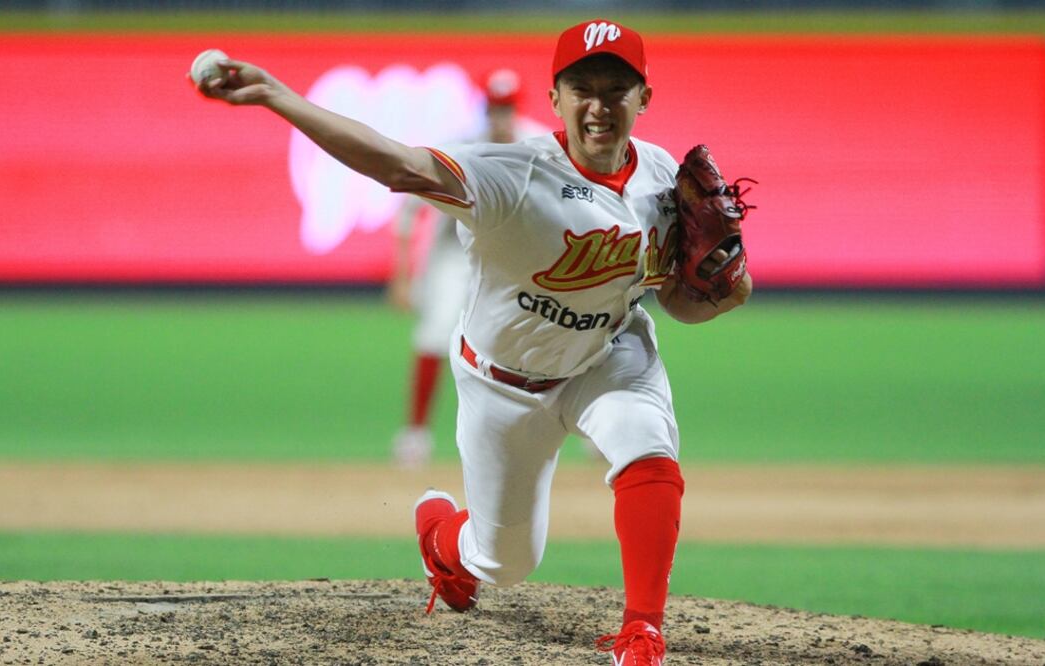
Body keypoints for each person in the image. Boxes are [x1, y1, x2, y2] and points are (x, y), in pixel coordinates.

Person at [196, 18, 751, 666]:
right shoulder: (506, 175)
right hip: (501, 382)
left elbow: (682, 306)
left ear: (643, 98)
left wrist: (725, 290)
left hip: (607, 354)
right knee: (506, 560)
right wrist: (277, 96)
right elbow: (398, 165)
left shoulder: (661, 177)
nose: (599, 104)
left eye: (616, 88)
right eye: (582, 88)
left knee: (646, 446)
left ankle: (641, 632)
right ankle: (441, 539)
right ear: (555, 99)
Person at [388, 69, 525, 470]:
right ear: (484, 108)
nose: (500, 116)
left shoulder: (536, 143)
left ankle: (578, 433)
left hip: (508, 260)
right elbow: (410, 208)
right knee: (433, 337)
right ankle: (415, 434)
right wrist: (401, 272)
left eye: (507, 108)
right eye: (494, 107)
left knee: (536, 340)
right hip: (454, 256)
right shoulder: (459, 148)